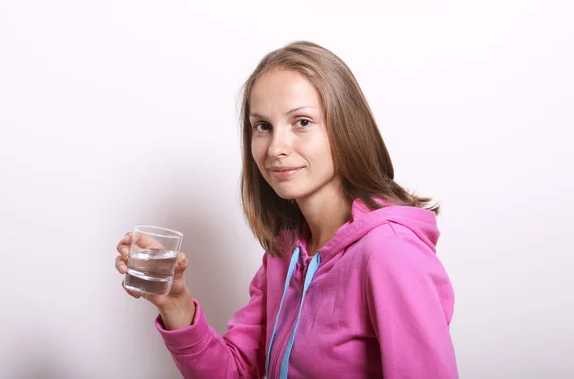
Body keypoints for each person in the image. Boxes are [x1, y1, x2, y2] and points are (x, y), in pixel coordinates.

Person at [115, 40, 459, 378]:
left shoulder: (390, 251)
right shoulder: (285, 253)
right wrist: (176, 302)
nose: (275, 148)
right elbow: (235, 372)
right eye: (262, 126)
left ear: (346, 128)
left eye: (302, 122)